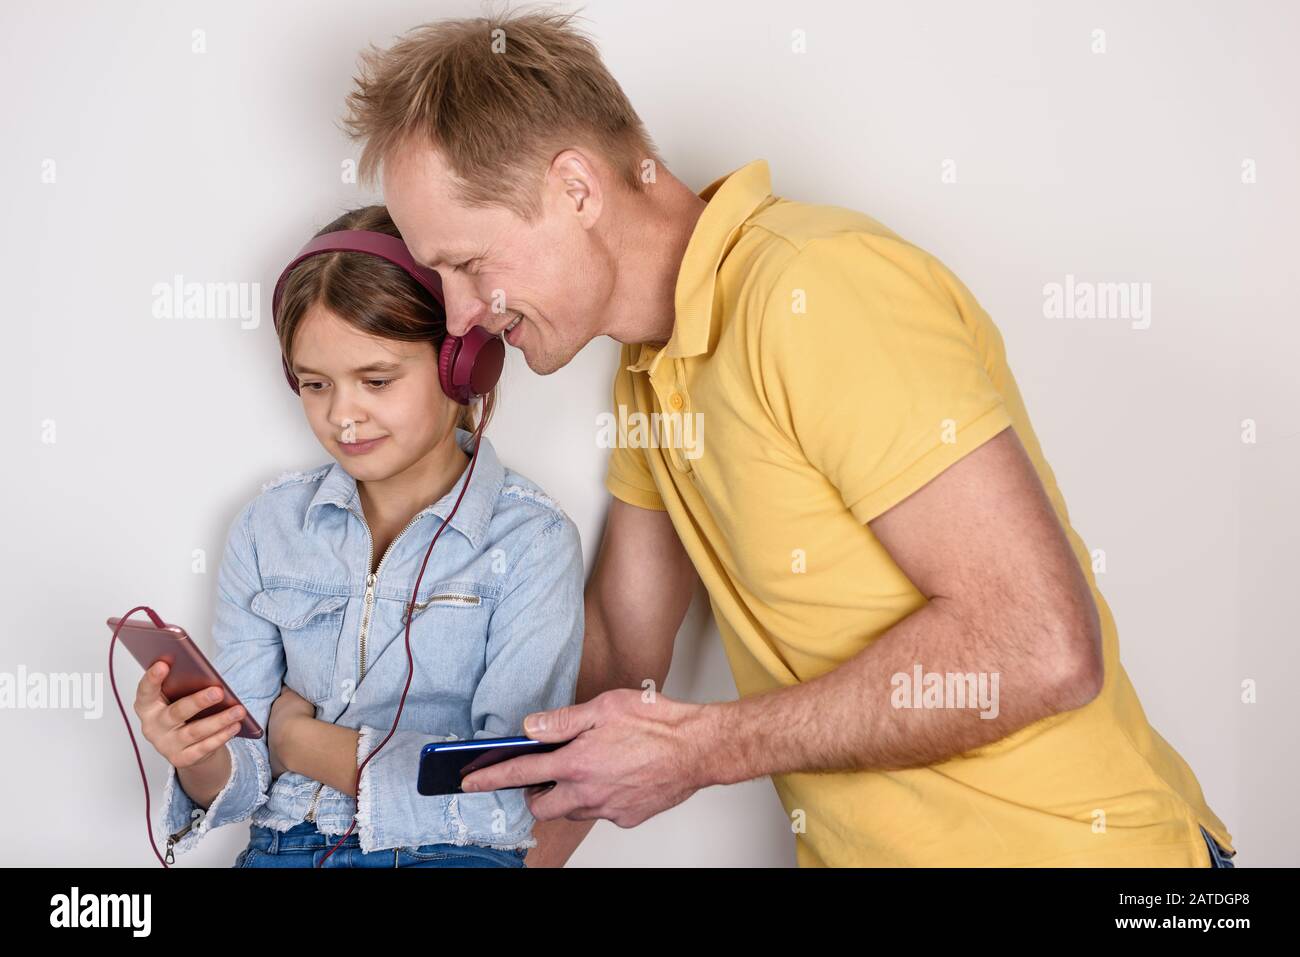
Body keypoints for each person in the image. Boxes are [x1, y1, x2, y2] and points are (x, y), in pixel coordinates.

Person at [338, 11, 1239, 869]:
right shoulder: (650, 374)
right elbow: (620, 650)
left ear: (574, 189)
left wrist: (703, 750)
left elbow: (1040, 645)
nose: (460, 315)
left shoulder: (814, 292)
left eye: (466, 262)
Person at [133, 204, 584, 867]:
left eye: (376, 380)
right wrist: (198, 754)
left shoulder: (530, 542)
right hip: (280, 847)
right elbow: (243, 776)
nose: (342, 415)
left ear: (464, 366)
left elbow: (508, 793)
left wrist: (297, 740)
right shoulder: (268, 528)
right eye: (316, 385)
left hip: (448, 856)